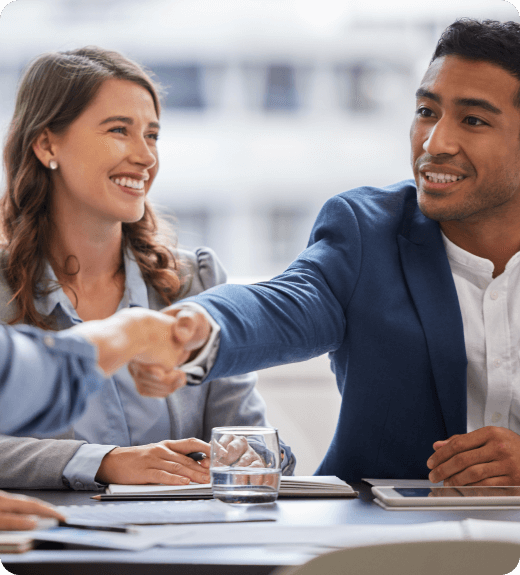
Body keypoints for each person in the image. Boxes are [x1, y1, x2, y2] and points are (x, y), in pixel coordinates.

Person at [132, 18, 520, 487]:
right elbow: (279, 304)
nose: (435, 143)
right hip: (388, 547)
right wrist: (189, 331)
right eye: (426, 111)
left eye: (473, 120)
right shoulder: (367, 233)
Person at [0, 46, 294, 495]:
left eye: (152, 135)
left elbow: (250, 437)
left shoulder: (194, 282)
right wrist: (106, 462)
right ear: (46, 144)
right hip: (56, 553)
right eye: (119, 130)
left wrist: (252, 456)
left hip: (188, 547)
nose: (146, 157)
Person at [0, 307, 205, 530]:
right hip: (50, 531)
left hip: (190, 523)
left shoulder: (196, 281)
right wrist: (135, 331)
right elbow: (27, 376)